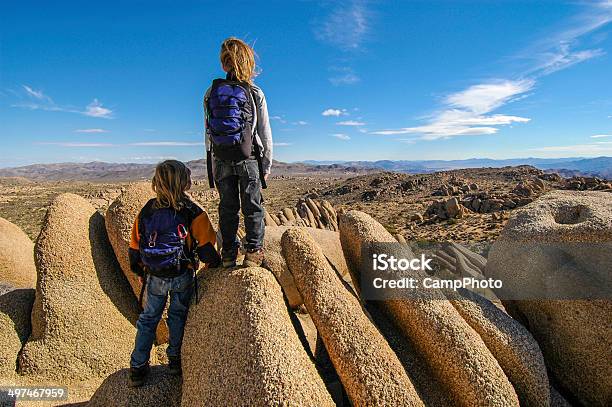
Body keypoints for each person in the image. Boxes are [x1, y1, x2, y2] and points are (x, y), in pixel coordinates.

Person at [127, 160, 220, 387]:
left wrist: (139, 270)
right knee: (178, 316)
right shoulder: (192, 211)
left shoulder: (148, 210)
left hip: (155, 276)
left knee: (148, 320)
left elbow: (135, 244)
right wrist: (214, 265)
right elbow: (207, 246)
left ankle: (138, 367)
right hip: (182, 275)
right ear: (184, 183)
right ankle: (175, 361)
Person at [204, 37, 273, 268]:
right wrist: (266, 166)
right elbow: (264, 133)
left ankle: (228, 255)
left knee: (227, 207)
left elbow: (208, 131)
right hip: (248, 158)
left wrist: (213, 164)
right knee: (252, 205)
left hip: (221, 157)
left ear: (223, 64)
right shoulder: (254, 92)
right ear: (249, 63)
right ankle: (253, 253)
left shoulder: (211, 92)